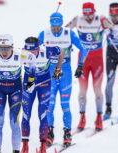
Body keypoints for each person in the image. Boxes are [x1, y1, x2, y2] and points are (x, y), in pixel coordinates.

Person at [38, 12, 88, 147]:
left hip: (65, 72)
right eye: (53, 26)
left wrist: (80, 65)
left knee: (65, 104)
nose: (55, 29)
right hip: (50, 74)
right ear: (50, 24)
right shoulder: (44, 34)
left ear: (61, 23)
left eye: (58, 26)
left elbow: (84, 49)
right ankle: (49, 132)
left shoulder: (69, 34)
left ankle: (67, 132)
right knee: (49, 106)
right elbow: (35, 52)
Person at [0, 34, 28, 153]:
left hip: (15, 89)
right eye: (1, 48)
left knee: (14, 121)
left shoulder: (20, 54)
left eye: (7, 48)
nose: (4, 52)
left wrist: (31, 80)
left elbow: (32, 60)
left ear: (12, 47)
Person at [65, 2, 105, 131]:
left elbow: (114, 28)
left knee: (97, 90)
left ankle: (99, 117)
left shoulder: (101, 19)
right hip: (83, 60)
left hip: (97, 60)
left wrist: (110, 29)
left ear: (94, 11)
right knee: (82, 91)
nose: (88, 17)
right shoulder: (78, 19)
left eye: (91, 14)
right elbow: (65, 31)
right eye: (86, 14)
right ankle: (82, 117)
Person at [20, 37, 61, 153]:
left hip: (44, 84)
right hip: (28, 84)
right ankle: (25, 146)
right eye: (29, 52)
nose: (31, 55)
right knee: (26, 114)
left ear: (38, 48)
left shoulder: (47, 51)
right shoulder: (21, 53)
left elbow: (61, 51)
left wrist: (58, 69)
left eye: (33, 52)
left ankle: (43, 146)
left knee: (42, 114)